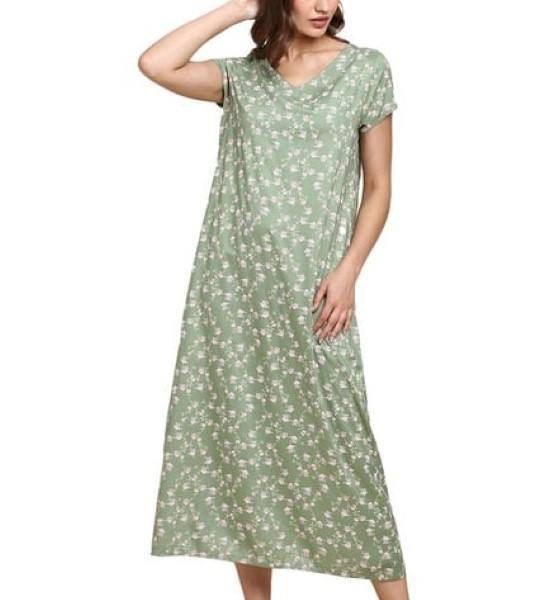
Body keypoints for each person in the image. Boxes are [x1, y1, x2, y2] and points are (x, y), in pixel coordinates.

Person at [139, 1, 410, 598]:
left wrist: (348, 272)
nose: (323, 5)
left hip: (318, 294)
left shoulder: (366, 69)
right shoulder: (242, 78)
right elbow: (156, 63)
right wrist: (243, 7)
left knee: (345, 450)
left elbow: (379, 186)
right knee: (245, 445)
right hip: (234, 295)